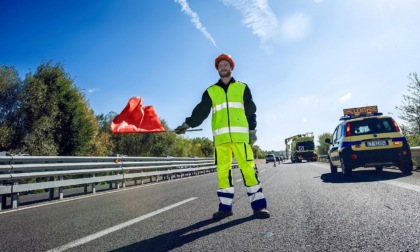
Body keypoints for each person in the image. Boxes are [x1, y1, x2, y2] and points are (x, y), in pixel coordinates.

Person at [175, 54, 270, 220]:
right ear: (217, 69)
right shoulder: (211, 92)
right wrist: (187, 125)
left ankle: (259, 207)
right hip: (221, 141)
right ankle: (225, 209)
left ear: (231, 67)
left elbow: (250, 110)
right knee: (223, 173)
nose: (223, 67)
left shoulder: (242, 88)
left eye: (226, 64)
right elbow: (200, 112)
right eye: (220, 65)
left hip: (241, 139)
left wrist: (252, 130)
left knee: (248, 171)